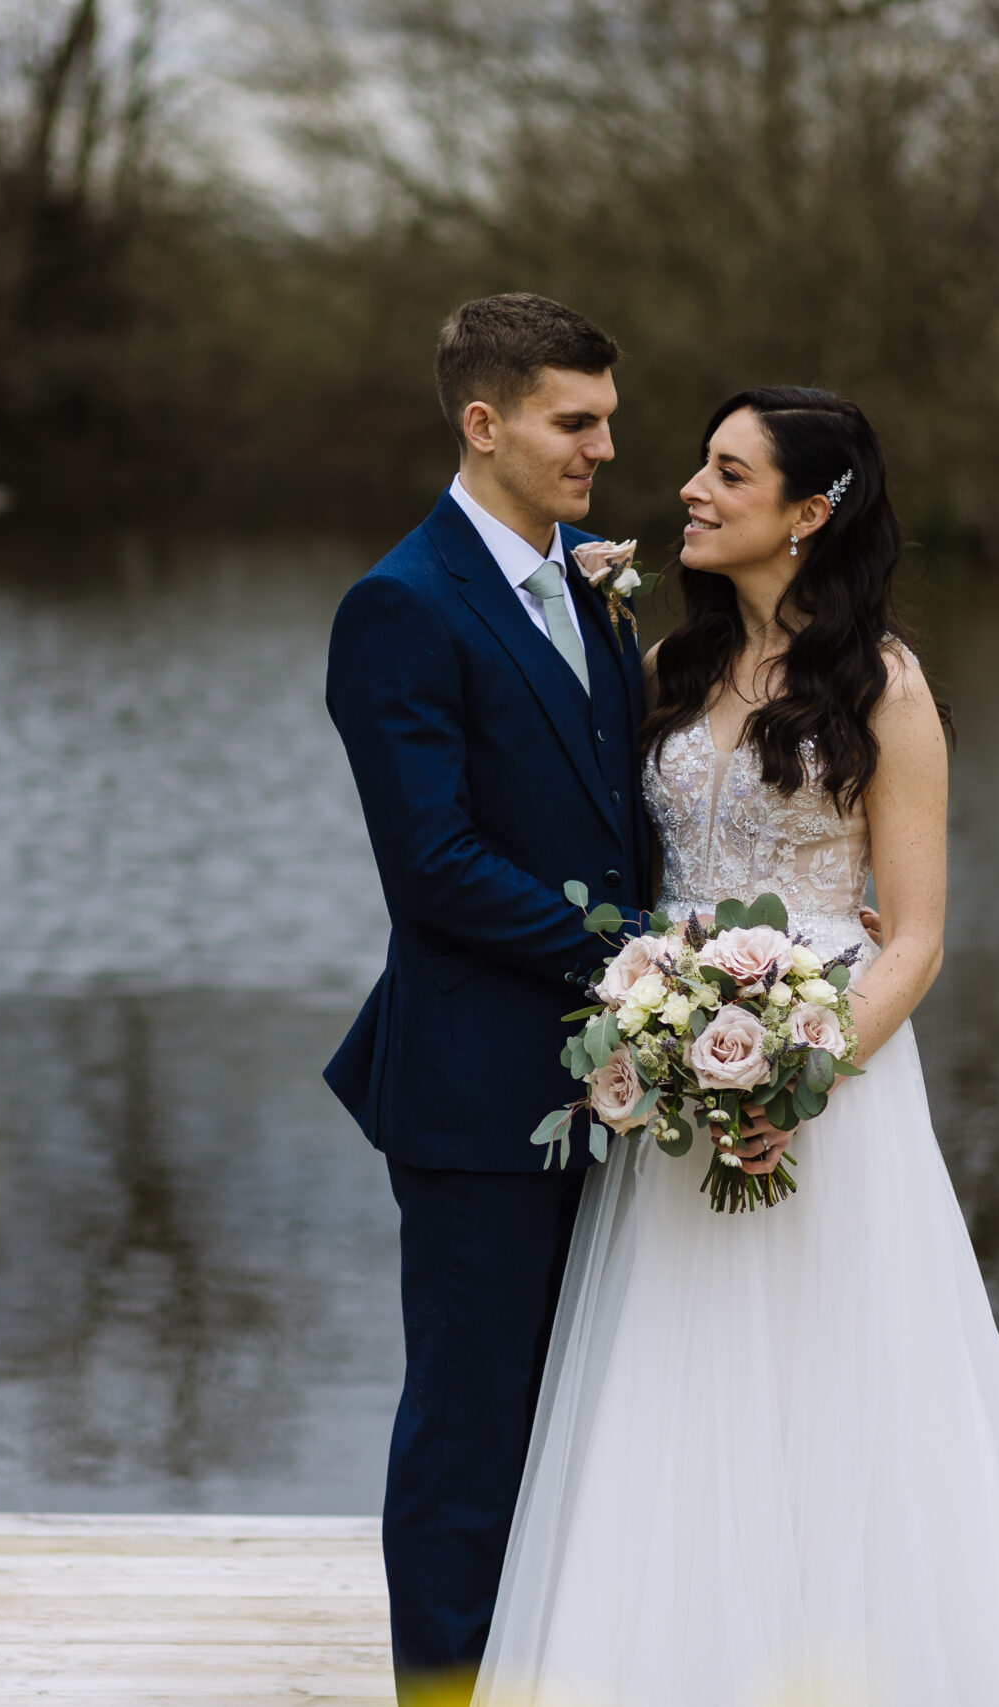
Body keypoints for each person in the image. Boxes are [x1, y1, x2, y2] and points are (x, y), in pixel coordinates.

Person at [472, 387, 999, 1706]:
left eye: (728, 474)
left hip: (820, 1083)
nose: (690, 487)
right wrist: (662, 1025)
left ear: (808, 513)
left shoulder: (883, 688)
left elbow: (913, 936)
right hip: (671, 1078)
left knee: (846, 1383)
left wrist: (796, 1078)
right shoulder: (665, 669)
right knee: (668, 1384)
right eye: (700, 465)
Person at [323, 293, 651, 1701]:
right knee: (469, 1428)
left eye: (609, 424)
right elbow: (438, 867)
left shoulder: (591, 576)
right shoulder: (400, 605)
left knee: (590, 1415)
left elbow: (618, 809)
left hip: (622, 1078)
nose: (603, 452)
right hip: (473, 1092)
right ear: (485, 422)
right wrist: (640, 953)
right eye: (576, 424)